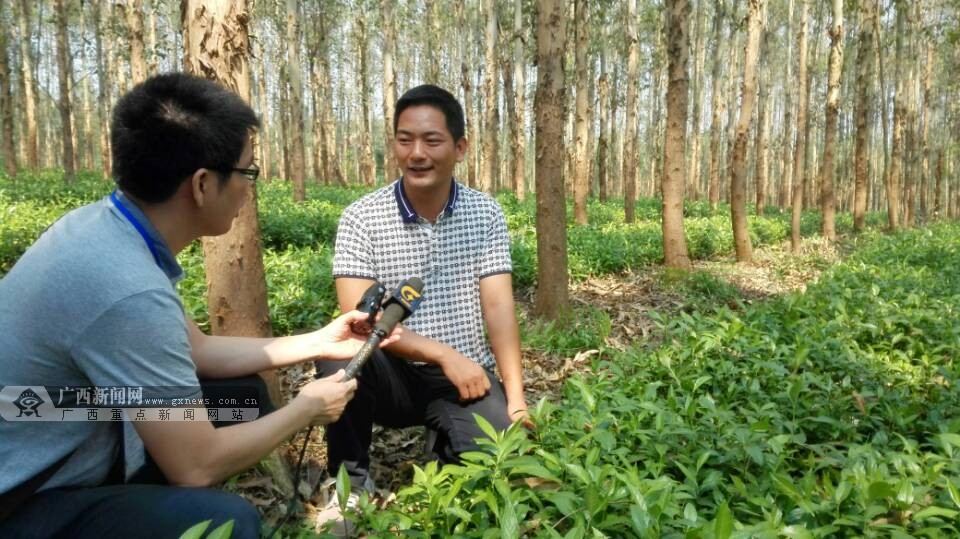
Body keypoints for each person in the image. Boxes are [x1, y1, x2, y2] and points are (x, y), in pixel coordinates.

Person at [0, 73, 388, 539]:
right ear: (203, 184)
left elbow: (198, 350)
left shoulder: (107, 229)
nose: (250, 188)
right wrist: (306, 409)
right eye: (248, 172)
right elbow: (195, 465)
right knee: (225, 521)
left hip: (59, 415)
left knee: (242, 400)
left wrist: (320, 341)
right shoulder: (128, 289)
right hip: (23, 494)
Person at [316, 84, 529, 530]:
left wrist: (517, 400)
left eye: (431, 141)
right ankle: (348, 489)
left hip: (464, 379)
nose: (416, 153)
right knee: (338, 354)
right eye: (404, 139)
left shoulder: (485, 214)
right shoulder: (362, 217)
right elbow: (360, 321)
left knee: (500, 472)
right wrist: (442, 354)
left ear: (459, 147)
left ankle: (445, 447)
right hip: (391, 370)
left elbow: (499, 310)